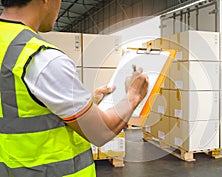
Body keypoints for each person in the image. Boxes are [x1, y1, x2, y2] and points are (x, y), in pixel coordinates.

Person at [0, 0, 148, 176]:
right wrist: (133, 96)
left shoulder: (7, 44)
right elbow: (100, 132)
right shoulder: (41, 58)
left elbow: (18, 106)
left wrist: (89, 101)